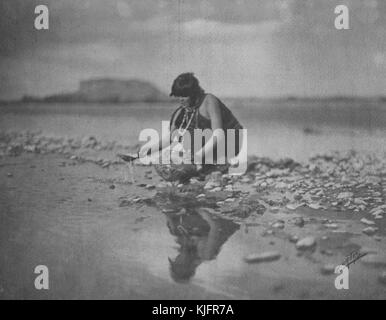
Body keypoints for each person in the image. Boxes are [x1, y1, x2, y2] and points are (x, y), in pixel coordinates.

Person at [135, 72, 244, 182]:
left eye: (184, 96)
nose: (181, 99)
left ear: (194, 93)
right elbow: (169, 138)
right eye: (179, 96)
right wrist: (142, 153)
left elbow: (219, 135)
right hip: (207, 145)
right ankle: (202, 167)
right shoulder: (181, 111)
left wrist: (197, 156)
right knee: (169, 157)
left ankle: (216, 164)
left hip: (230, 141)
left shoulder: (209, 101)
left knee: (187, 156)